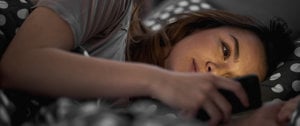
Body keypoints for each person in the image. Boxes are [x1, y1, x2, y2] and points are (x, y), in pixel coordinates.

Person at [0, 0, 295, 126]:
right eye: (226, 51)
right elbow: (19, 64)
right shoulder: (114, 11)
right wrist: (159, 79)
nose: (213, 71)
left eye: (228, 78)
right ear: (196, 28)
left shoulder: (134, 112)